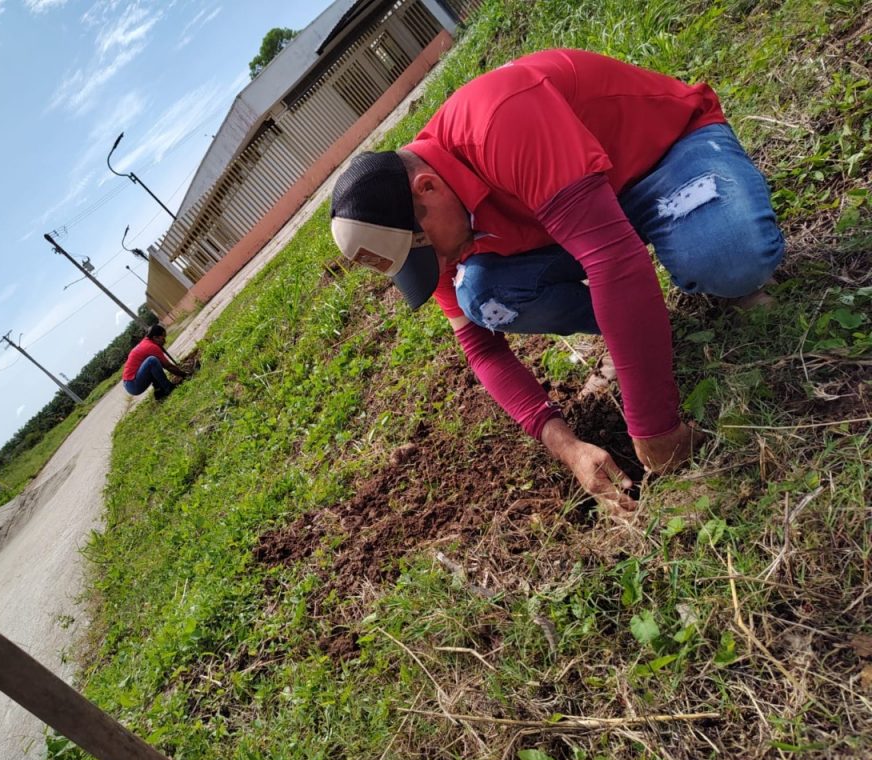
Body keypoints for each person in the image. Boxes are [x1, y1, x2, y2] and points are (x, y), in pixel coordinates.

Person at [330, 49, 783, 511]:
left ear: (427, 188)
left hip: (663, 159)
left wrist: (655, 430)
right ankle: (636, 324)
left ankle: (661, 298)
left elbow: (615, 259)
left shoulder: (497, 121)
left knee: (732, 263)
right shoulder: (437, 232)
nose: (441, 261)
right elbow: (481, 349)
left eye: (427, 249)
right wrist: (566, 447)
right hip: (576, 215)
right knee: (482, 295)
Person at [122, 324, 186, 402]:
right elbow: (168, 366)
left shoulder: (146, 342)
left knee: (153, 364)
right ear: (155, 337)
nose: (165, 341)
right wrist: (184, 375)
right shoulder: (151, 346)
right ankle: (168, 388)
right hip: (133, 384)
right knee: (152, 361)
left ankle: (159, 392)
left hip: (129, 383)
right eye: (163, 338)